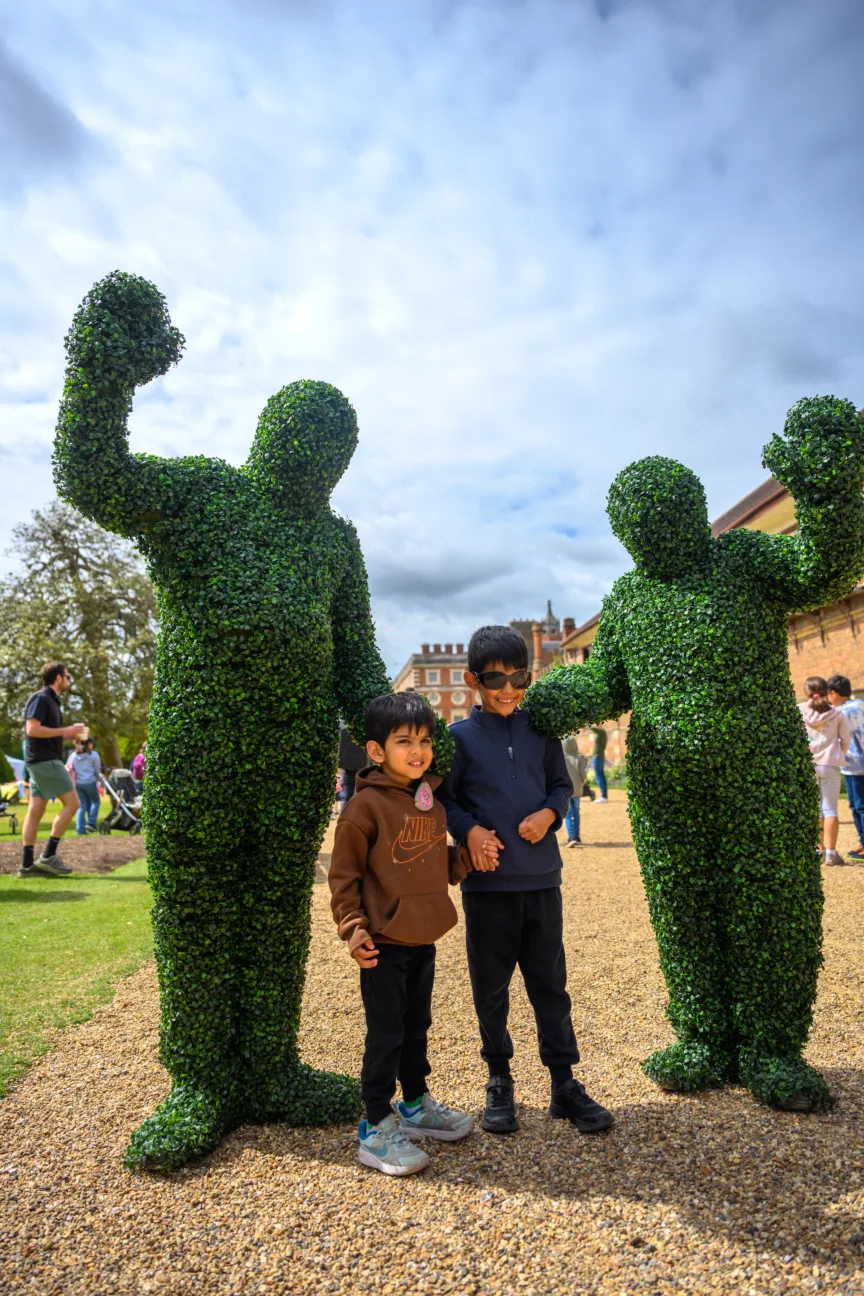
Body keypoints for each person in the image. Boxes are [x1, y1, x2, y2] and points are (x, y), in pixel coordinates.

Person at [438, 625, 614, 1136]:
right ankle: (498, 1079)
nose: (509, 689)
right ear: (473, 680)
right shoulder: (457, 739)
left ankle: (564, 1084)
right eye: (496, 679)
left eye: (520, 678)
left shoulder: (542, 732)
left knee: (550, 986)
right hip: (487, 885)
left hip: (541, 880)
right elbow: (446, 800)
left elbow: (561, 786)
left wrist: (551, 814)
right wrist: (470, 831)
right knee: (490, 988)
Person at [329, 691, 475, 1176]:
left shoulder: (428, 803)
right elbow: (343, 879)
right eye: (404, 741)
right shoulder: (363, 809)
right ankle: (374, 1125)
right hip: (383, 945)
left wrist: (465, 859)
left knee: (416, 1027)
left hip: (423, 938)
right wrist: (354, 931)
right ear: (376, 751)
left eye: (425, 740)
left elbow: (433, 865)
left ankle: (414, 1105)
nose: (418, 750)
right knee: (386, 1033)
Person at [18, 662, 86, 878]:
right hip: (46, 762)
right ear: (58, 677)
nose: (68, 680)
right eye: (67, 676)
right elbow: (32, 729)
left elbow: (47, 733)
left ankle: (27, 865)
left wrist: (68, 735)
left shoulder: (53, 701)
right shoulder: (41, 698)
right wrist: (65, 730)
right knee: (73, 804)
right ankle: (48, 855)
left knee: (35, 811)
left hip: (39, 762)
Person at [799, 675, 851, 868]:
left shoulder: (799, 710)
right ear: (827, 691)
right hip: (830, 764)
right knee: (830, 809)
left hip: (808, 765)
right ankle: (830, 853)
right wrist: (837, 754)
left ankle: (817, 849)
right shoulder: (837, 713)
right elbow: (845, 740)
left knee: (814, 808)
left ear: (806, 693)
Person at [826, 675, 864, 861]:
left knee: (860, 806)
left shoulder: (848, 711)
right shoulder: (858, 706)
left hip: (857, 766)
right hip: (851, 766)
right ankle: (862, 842)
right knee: (856, 806)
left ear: (834, 693)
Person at [66, 736, 102, 834]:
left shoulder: (73, 755)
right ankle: (91, 823)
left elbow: (68, 767)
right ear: (89, 744)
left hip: (78, 783)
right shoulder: (93, 755)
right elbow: (97, 769)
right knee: (96, 802)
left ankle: (80, 829)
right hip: (90, 782)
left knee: (82, 806)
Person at [562, 735, 589, 847]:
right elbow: (583, 775)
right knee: (576, 812)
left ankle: (571, 837)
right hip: (577, 789)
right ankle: (577, 836)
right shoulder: (579, 758)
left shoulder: (561, 758)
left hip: (565, 789)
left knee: (568, 814)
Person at [337, 723, 367, 807]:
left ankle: (345, 814)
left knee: (347, 796)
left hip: (348, 767)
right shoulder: (363, 730)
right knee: (358, 795)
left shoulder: (344, 729)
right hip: (360, 767)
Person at [589, 725, 609, 801]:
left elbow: (592, 728)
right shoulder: (601, 733)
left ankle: (603, 796)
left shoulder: (601, 731)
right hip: (598, 756)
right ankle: (604, 796)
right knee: (601, 776)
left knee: (599, 776)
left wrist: (582, 723)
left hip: (598, 757)